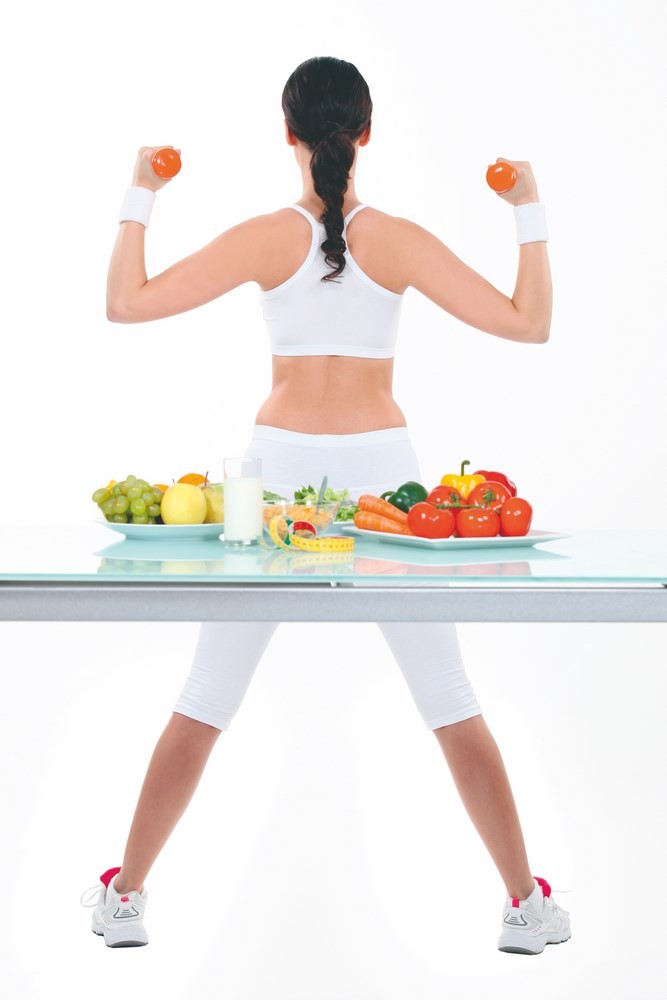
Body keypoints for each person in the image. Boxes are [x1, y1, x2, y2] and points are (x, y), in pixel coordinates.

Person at [82, 56, 571, 954]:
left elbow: (125, 303)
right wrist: (526, 206)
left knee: (206, 696)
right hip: (384, 477)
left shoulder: (264, 237)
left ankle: (126, 897)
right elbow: (527, 322)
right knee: (448, 696)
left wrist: (141, 189)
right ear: (366, 132)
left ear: (288, 133)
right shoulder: (400, 240)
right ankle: (523, 907)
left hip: (273, 480)